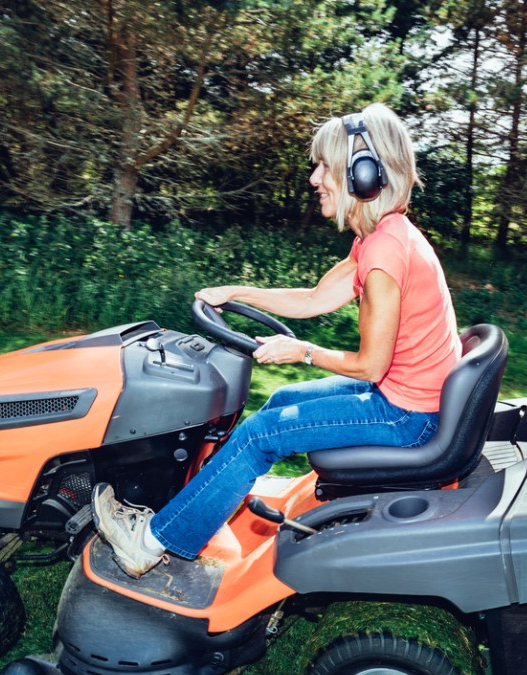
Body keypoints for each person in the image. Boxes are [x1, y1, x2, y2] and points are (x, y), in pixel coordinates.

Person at [92, 103, 461, 578]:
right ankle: (201, 506)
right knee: (281, 401)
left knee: (259, 435)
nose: (314, 178)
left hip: (409, 418)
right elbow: (314, 298)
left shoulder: (386, 255)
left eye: (324, 166)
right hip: (409, 400)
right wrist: (236, 292)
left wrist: (303, 351)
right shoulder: (380, 236)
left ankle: (152, 541)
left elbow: (371, 366)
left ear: (363, 175)